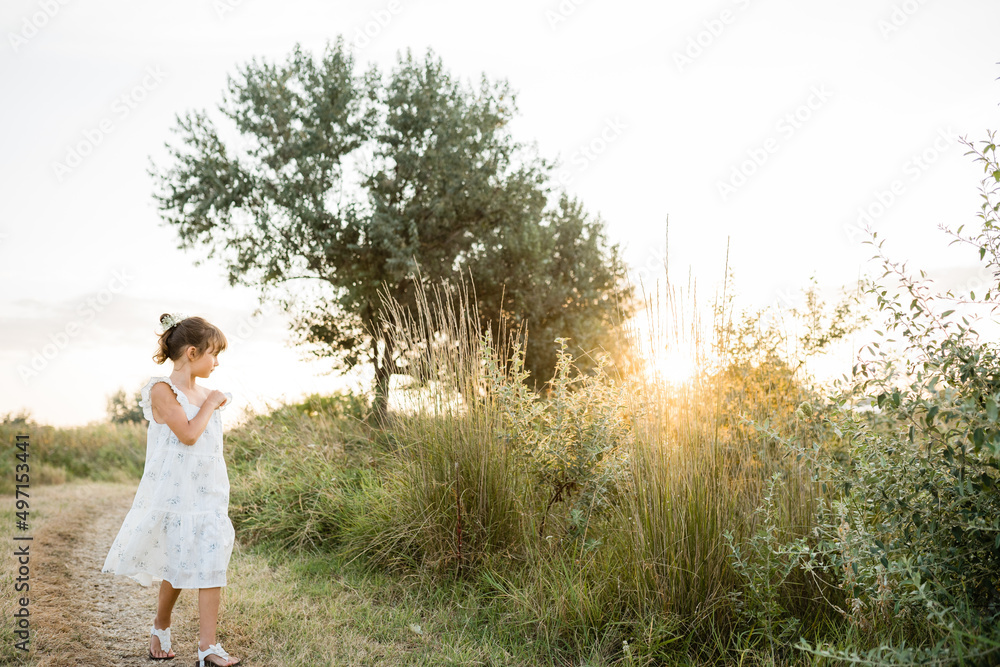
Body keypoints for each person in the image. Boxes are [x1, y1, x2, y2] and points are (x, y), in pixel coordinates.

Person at [102, 313, 241, 666]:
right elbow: (189, 435)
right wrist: (210, 405)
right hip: (175, 494)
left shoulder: (208, 392)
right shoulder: (162, 390)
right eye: (214, 353)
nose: (217, 361)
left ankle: (207, 647)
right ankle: (161, 626)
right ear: (192, 352)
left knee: (211, 561)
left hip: (208, 492)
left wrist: (210, 401)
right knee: (177, 563)